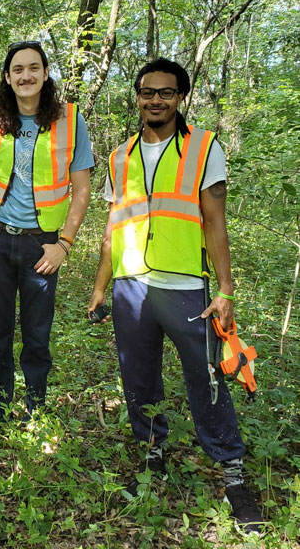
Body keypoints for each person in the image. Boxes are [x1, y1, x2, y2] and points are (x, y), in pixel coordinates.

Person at [87, 58, 262, 531]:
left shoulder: (204, 147)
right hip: (129, 288)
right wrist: (100, 288)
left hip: (186, 287)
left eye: (166, 92)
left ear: (180, 97)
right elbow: (110, 229)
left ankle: (233, 475)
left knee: (205, 380)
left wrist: (225, 289)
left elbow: (215, 223)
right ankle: (152, 452)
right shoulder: (118, 155)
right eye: (148, 92)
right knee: (138, 378)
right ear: (138, 96)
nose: (156, 100)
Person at [0, 41, 93, 422]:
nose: (26, 76)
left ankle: (36, 407)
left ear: (46, 73)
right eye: (18, 69)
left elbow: (81, 188)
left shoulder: (71, 119)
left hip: (42, 246)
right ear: (7, 76)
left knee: (37, 334)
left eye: (34, 68)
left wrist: (64, 245)